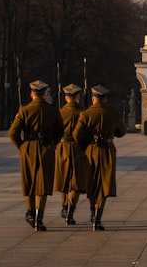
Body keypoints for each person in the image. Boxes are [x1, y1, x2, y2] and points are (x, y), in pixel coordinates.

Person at [8, 80, 63, 232]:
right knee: (42, 185)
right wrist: (53, 144)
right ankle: (39, 218)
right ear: (45, 94)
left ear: (31, 94)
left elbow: (13, 133)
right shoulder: (52, 110)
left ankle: (31, 212)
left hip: (28, 148)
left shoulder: (24, 110)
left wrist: (22, 146)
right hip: (46, 148)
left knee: (29, 183)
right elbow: (60, 131)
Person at [73, 84, 126, 231]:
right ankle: (98, 217)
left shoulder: (85, 114)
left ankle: (92, 210)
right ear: (106, 99)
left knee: (92, 182)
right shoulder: (113, 113)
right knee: (104, 184)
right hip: (107, 150)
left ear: (93, 99)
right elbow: (121, 132)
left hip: (91, 150)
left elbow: (77, 135)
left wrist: (86, 145)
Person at [55, 83, 87, 225]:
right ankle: (71, 211)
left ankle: (64, 206)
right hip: (78, 148)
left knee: (64, 180)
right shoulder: (83, 113)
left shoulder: (59, 113)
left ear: (66, 97)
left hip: (62, 147)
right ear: (78, 97)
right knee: (76, 182)